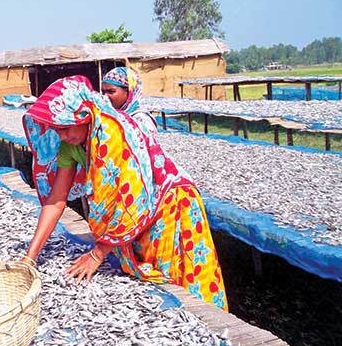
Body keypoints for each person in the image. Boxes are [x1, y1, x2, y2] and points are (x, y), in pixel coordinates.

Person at [20, 76, 227, 311]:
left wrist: (97, 254)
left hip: (168, 205)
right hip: (135, 211)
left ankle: (212, 329)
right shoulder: (70, 144)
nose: (63, 136)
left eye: (66, 129)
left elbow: (133, 197)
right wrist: (30, 257)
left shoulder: (113, 134)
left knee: (181, 281)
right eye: (58, 130)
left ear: (85, 116)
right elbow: (56, 200)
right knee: (150, 284)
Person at [101, 66, 158, 137]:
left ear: (129, 92)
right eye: (103, 92)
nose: (105, 96)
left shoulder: (141, 121)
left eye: (111, 91)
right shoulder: (106, 116)